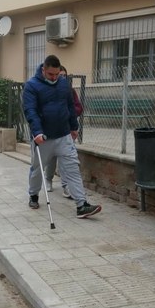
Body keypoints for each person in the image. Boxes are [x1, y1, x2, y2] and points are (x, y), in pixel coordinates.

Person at [23, 55, 101, 218]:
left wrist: (74, 127)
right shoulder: (31, 86)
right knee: (38, 168)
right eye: (51, 74)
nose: (54, 78)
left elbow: (70, 107)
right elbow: (30, 111)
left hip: (64, 135)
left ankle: (81, 205)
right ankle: (33, 195)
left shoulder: (63, 84)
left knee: (73, 168)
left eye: (57, 74)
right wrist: (36, 132)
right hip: (43, 137)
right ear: (43, 69)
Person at [44, 65, 83, 197]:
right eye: (59, 76)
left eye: (64, 76)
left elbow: (78, 107)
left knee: (66, 160)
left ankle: (66, 186)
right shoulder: (47, 90)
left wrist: (69, 115)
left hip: (66, 131)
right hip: (51, 131)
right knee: (51, 158)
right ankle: (48, 180)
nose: (61, 78)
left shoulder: (69, 91)